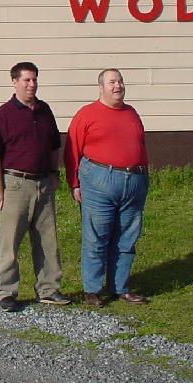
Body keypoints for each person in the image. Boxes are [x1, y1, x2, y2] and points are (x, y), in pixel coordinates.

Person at [0, 61, 71, 312]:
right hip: (15, 184)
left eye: (34, 79)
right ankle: (7, 292)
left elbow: (55, 145)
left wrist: (54, 173)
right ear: (15, 82)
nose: (32, 84)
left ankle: (48, 289)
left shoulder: (44, 111)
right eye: (26, 80)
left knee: (47, 240)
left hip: (43, 183)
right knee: (10, 241)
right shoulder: (3, 114)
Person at [64, 68, 150, 306]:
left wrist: (144, 178)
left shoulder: (131, 113)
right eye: (112, 82)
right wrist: (74, 184)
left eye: (120, 81)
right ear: (101, 87)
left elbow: (140, 146)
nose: (118, 86)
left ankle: (119, 287)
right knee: (96, 237)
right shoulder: (87, 114)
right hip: (99, 182)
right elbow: (72, 152)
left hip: (133, 183)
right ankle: (92, 289)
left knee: (126, 238)